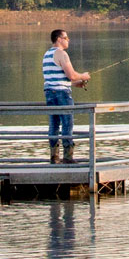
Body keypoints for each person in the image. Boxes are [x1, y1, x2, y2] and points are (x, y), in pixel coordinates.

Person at [43, 29, 89, 163]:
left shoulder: (47, 54)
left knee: (54, 124)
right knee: (67, 123)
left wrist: (75, 84)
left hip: (50, 93)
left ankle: (54, 156)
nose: (68, 40)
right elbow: (72, 75)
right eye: (66, 38)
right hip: (62, 94)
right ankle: (68, 157)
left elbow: (55, 79)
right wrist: (83, 76)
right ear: (59, 39)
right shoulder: (61, 54)